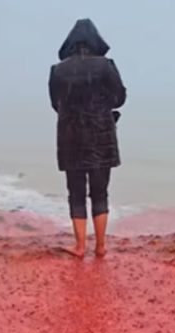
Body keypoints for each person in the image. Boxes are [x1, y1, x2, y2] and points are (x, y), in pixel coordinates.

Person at [49, 19, 126, 258]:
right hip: (102, 136)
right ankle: (101, 246)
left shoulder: (58, 70)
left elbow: (55, 104)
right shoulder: (106, 66)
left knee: (76, 193)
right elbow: (120, 97)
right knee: (100, 193)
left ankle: (80, 247)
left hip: (70, 137)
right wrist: (103, 107)